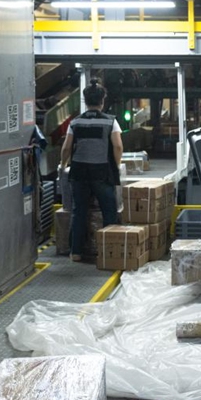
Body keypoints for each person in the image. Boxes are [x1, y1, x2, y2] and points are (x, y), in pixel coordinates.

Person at [60, 78, 124, 262]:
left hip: (79, 173)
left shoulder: (76, 122)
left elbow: (66, 148)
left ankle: (76, 252)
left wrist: (64, 165)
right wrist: (116, 165)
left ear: (85, 101)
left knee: (79, 211)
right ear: (102, 101)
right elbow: (118, 146)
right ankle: (108, 253)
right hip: (102, 172)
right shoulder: (111, 122)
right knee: (108, 211)